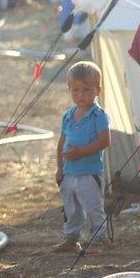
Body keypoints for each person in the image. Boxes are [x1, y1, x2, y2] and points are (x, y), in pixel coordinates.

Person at [53, 62, 111, 254]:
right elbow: (61, 143)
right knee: (71, 208)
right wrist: (60, 168)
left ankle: (98, 238)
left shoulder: (98, 115)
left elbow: (104, 141)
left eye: (86, 90)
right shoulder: (68, 115)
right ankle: (71, 238)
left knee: (94, 206)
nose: (81, 95)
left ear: (97, 90)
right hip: (70, 171)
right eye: (76, 90)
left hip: (89, 171)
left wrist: (81, 152)